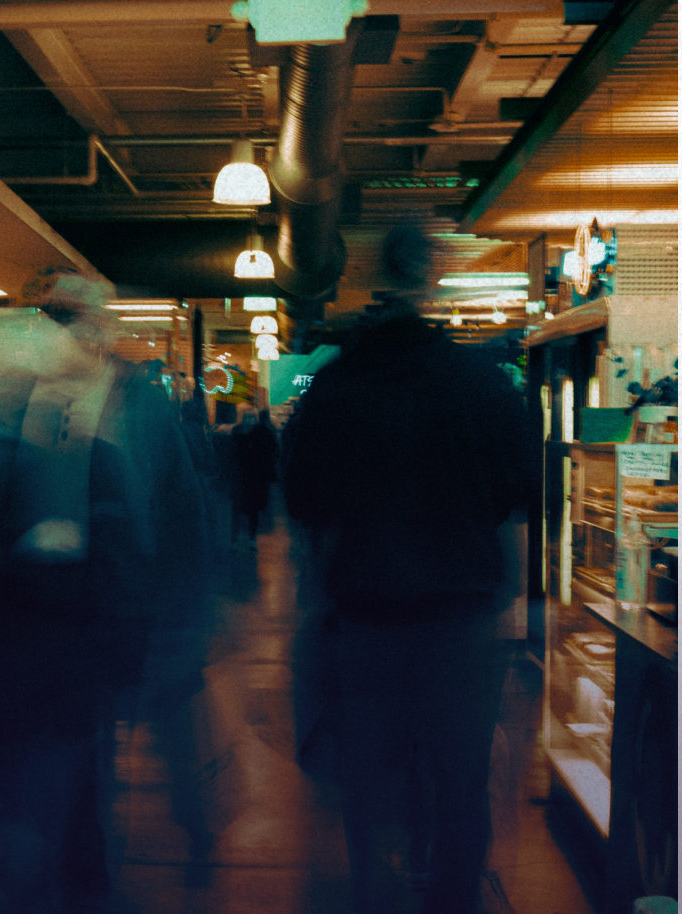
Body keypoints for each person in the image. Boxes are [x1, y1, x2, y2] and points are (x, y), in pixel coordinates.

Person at [0, 267, 207, 913]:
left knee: (80, 746)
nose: (65, 331)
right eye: (53, 317)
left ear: (100, 328)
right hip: (40, 617)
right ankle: (78, 855)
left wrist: (177, 611)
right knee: (63, 748)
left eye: (75, 318)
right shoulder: (15, 399)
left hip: (112, 606)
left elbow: (180, 506)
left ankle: (98, 849)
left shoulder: (135, 400)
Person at [281, 225, 530, 914]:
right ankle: (451, 899)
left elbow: (303, 498)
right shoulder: (481, 383)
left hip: (365, 617)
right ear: (433, 285)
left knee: (368, 774)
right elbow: (521, 490)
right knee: (459, 780)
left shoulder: (337, 385)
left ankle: (374, 892)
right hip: (461, 620)